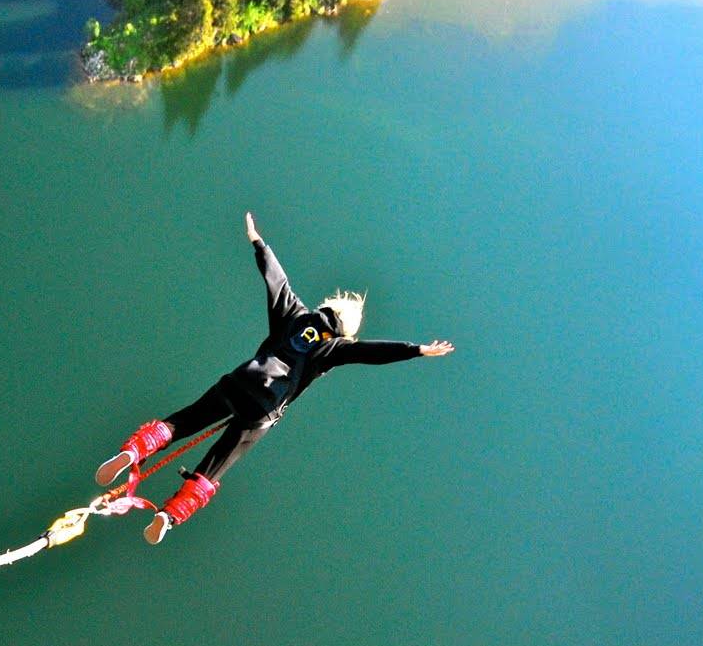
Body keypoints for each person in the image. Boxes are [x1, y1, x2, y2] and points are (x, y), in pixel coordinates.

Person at [97, 212, 455, 544]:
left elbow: (276, 280)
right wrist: (417, 349)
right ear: (346, 331)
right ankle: (169, 515)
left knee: (183, 421)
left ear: (326, 307)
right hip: (264, 409)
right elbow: (370, 352)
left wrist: (258, 242)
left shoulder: (294, 313)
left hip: (240, 381)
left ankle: (134, 450)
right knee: (215, 465)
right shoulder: (334, 348)